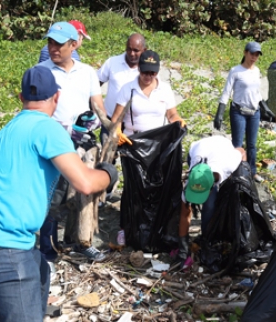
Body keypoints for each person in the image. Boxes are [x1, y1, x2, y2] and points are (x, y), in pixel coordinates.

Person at [0, 66, 118, 322]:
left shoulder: (7, 130)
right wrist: (109, 174)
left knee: (40, 270)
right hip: (2, 248)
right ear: (56, 97)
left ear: (21, 98)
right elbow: (85, 184)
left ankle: (30, 307)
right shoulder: (47, 128)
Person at [36, 21, 107, 263]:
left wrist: (96, 123)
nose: (53, 48)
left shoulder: (87, 72)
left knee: (82, 192)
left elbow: (97, 105)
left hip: (82, 140)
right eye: (50, 42)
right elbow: (37, 111)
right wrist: (64, 132)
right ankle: (48, 247)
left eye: (59, 43)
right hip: (54, 142)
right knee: (52, 195)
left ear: (74, 44)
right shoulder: (42, 72)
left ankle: (81, 242)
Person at [112, 49, 186, 246]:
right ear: (139, 69)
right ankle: (125, 228)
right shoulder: (128, 88)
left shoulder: (165, 89)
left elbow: (172, 115)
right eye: (145, 72)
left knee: (154, 186)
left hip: (156, 145)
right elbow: (116, 118)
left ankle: (150, 226)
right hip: (132, 144)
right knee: (131, 187)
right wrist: (117, 132)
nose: (148, 77)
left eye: (152, 73)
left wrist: (179, 122)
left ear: (157, 71)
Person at [175, 136, 246, 264]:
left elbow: (241, 151)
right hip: (198, 149)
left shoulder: (229, 163)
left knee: (210, 205)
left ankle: (206, 238)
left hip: (222, 147)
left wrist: (243, 175)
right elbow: (184, 213)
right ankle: (204, 239)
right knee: (194, 204)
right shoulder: (192, 178)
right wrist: (183, 248)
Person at [214, 41, 264, 182]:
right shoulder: (236, 71)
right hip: (239, 111)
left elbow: (257, 93)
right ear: (245, 53)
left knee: (252, 144)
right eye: (251, 54)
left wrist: (264, 107)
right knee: (237, 144)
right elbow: (226, 92)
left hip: (254, 112)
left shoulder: (257, 71)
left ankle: (252, 171)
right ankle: (236, 172)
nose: (254, 57)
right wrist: (219, 112)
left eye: (257, 55)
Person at [97, 33, 147, 143]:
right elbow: (95, 84)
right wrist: (98, 107)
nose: (131, 53)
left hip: (134, 124)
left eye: (136, 50)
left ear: (144, 50)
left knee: (131, 158)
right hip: (110, 120)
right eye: (129, 49)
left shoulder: (147, 70)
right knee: (107, 158)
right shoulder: (112, 62)